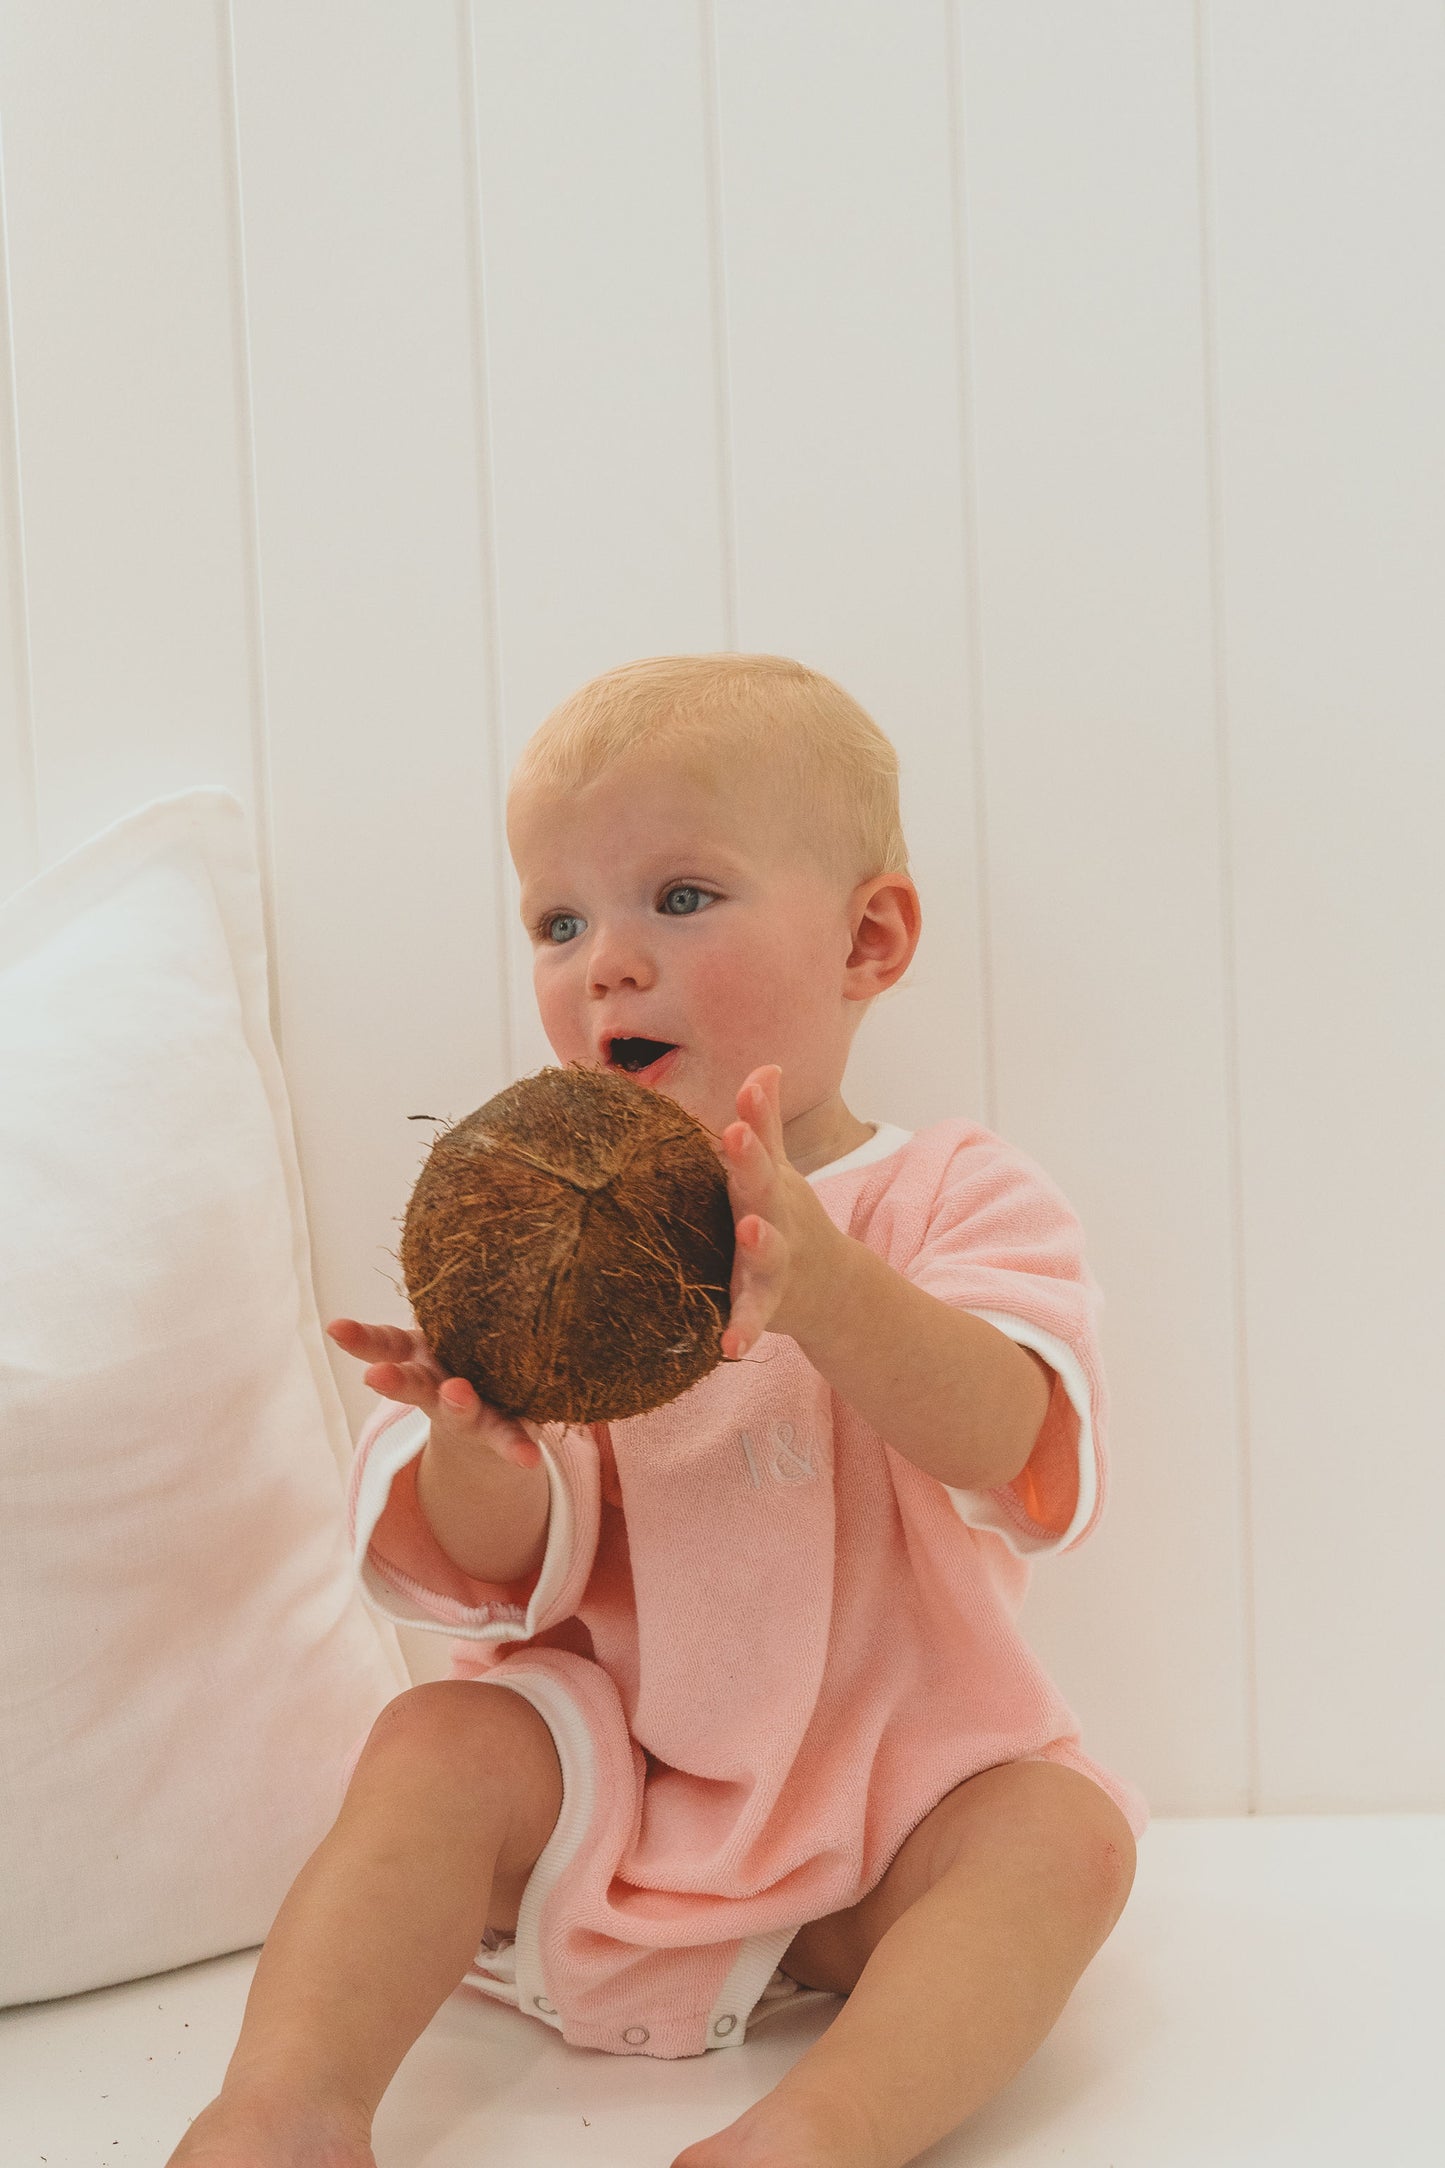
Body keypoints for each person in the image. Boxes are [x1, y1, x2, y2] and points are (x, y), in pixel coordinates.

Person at [168, 653, 1148, 2168]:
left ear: (867, 938)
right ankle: (284, 2110)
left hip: (879, 1819)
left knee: (1060, 1838)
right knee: (434, 1738)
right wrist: (475, 1441)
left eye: (678, 898)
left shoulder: (948, 1194)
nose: (605, 962)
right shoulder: (543, 1221)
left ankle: (813, 2135)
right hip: (604, 1795)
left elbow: (1013, 1437)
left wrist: (825, 1287)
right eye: (559, 923)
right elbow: (489, 1576)